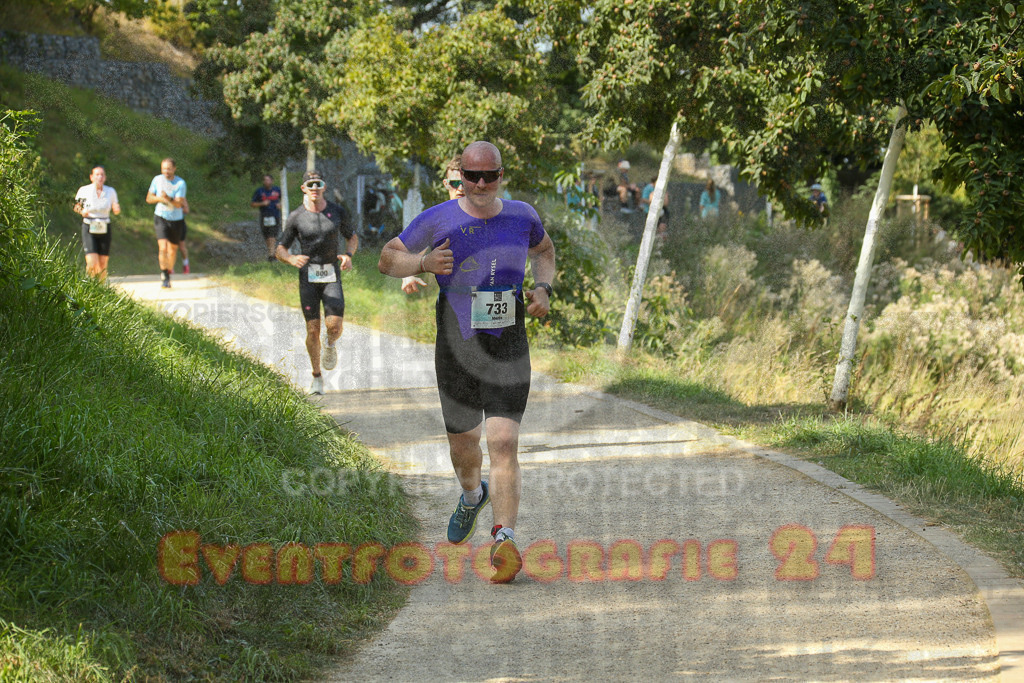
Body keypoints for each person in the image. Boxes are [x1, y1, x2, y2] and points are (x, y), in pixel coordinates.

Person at [379, 141, 556, 584]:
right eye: (470, 176)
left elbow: (546, 251)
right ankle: (471, 495)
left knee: (502, 442)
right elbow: (386, 258)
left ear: (501, 175)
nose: (479, 184)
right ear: (460, 177)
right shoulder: (440, 217)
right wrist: (421, 262)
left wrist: (543, 289)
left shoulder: (522, 215)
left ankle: (505, 539)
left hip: (508, 338)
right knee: (464, 447)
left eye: (488, 176)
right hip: (456, 341)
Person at [275, 170, 357, 395]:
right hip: (308, 278)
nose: (314, 188)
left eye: (317, 183)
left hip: (331, 274)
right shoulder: (296, 216)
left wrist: (348, 254)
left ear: (324, 186)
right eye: (309, 184)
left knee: (334, 326)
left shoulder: (336, 211)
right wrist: (291, 258)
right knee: (312, 330)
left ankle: (330, 344)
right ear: (303, 188)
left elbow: (352, 236)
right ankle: (316, 376)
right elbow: (280, 248)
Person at [401, 155, 465, 294]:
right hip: (452, 301)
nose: (460, 189)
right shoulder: (436, 220)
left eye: (464, 183)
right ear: (446, 184)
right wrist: (408, 275)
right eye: (454, 183)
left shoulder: (488, 214)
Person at [73, 165, 121, 281]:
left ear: (105, 177)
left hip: (104, 226)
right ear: (91, 177)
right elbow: (76, 207)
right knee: (92, 261)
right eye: (97, 175)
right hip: (89, 225)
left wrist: (116, 209)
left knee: (103, 262)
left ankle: (101, 288)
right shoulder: (84, 190)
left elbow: (116, 207)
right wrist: (82, 211)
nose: (100, 177)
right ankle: (89, 286)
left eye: (102, 175)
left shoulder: (110, 191)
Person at [146, 158, 187, 288]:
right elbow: (149, 198)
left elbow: (179, 203)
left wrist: (169, 198)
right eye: (163, 168)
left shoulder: (180, 183)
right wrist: (160, 198)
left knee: (173, 250)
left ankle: (169, 269)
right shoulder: (157, 180)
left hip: (176, 220)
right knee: (162, 247)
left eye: (168, 169)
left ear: (174, 169)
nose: (166, 171)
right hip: (161, 217)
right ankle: (165, 275)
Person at [251, 174, 283, 261]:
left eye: (268, 180)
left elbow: (284, 199)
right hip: (264, 215)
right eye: (265, 180)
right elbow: (253, 204)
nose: (266, 182)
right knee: (267, 236)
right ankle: (271, 254)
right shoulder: (259, 191)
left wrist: (280, 205)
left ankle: (272, 255)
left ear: (272, 181)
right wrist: (262, 203)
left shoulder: (277, 190)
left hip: (275, 215)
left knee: (272, 235)